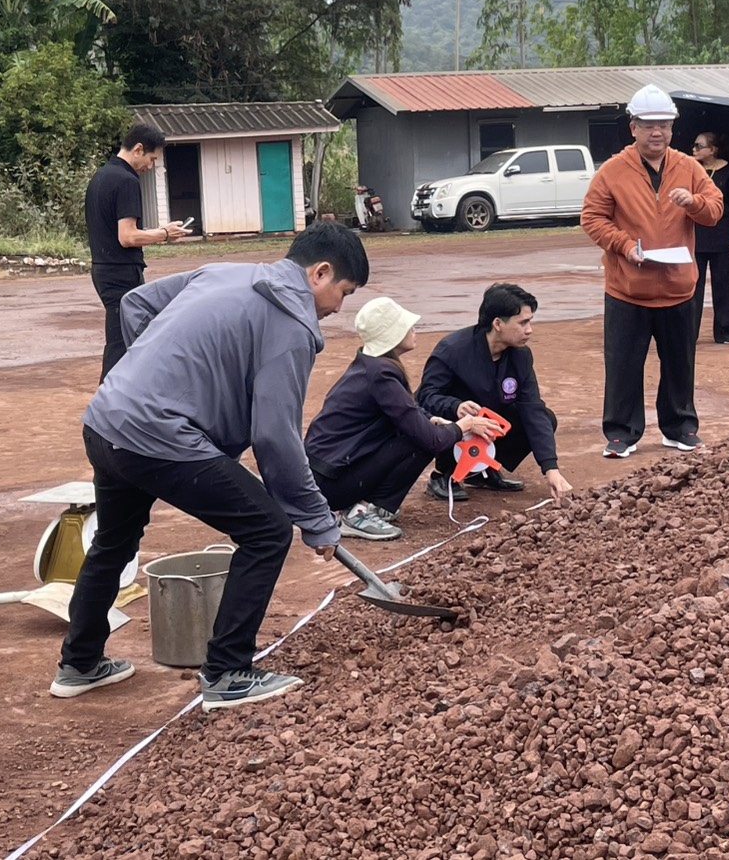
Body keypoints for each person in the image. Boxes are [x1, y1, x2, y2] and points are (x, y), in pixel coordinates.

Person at [50, 223, 369, 710]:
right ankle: (227, 671)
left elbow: (136, 306)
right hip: (158, 437)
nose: (337, 308)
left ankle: (80, 664)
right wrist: (317, 520)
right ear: (319, 273)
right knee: (268, 531)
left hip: (107, 419)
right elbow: (275, 437)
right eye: (342, 292)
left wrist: (153, 375)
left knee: (115, 541)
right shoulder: (294, 323)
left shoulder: (224, 273)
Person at [580, 85, 723, 458]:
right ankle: (621, 433)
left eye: (664, 124)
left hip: (678, 287)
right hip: (628, 288)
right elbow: (592, 218)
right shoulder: (612, 171)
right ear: (633, 128)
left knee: (680, 363)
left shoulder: (689, 168)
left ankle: (679, 427)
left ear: (673, 128)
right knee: (624, 363)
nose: (656, 131)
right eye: (648, 124)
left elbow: (714, 209)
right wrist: (625, 246)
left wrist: (693, 202)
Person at [304, 297, 503, 540]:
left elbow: (409, 411)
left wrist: (434, 420)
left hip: (325, 476)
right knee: (422, 440)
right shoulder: (382, 374)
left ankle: (366, 507)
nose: (413, 330)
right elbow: (431, 440)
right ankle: (360, 513)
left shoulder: (372, 364)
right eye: (407, 326)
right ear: (393, 334)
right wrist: (465, 425)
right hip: (329, 484)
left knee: (425, 431)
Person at [415, 283, 573, 502]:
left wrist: (550, 468)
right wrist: (455, 406)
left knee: (545, 417)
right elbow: (424, 398)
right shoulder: (452, 350)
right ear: (498, 323)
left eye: (530, 322)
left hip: (488, 423)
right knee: (446, 417)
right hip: (453, 424)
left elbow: (532, 408)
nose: (529, 330)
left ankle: (481, 471)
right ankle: (443, 475)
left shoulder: (521, 356)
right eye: (523, 323)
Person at [85, 123, 188, 383]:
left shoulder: (101, 177)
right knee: (122, 342)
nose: (150, 167)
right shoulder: (126, 180)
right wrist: (164, 234)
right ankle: (109, 405)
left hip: (103, 269)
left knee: (128, 338)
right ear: (138, 149)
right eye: (151, 159)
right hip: (120, 273)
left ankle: (118, 400)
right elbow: (128, 236)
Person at [689, 131, 729, 345]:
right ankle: (688, 333)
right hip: (695, 236)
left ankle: (726, 332)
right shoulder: (690, 172)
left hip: (722, 237)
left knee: (724, 287)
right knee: (691, 288)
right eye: (693, 146)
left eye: (698, 146)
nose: (694, 150)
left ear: (712, 150)